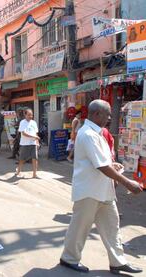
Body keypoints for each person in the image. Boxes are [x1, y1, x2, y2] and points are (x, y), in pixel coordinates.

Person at [60, 100, 143, 275]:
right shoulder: (88, 134)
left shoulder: (96, 133)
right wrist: (128, 183)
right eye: (107, 114)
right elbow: (101, 166)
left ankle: (118, 262)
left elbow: (103, 163)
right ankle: (69, 258)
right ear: (97, 114)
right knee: (80, 227)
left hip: (103, 191)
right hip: (89, 190)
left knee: (112, 227)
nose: (110, 118)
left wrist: (113, 165)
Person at [15, 109, 39, 178]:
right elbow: (23, 133)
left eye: (31, 115)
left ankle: (34, 174)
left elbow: (36, 132)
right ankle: (18, 170)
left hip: (33, 143)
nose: (30, 116)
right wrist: (33, 136)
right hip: (25, 144)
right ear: (25, 115)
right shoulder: (22, 122)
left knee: (35, 158)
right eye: (29, 115)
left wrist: (37, 141)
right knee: (22, 159)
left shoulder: (34, 122)